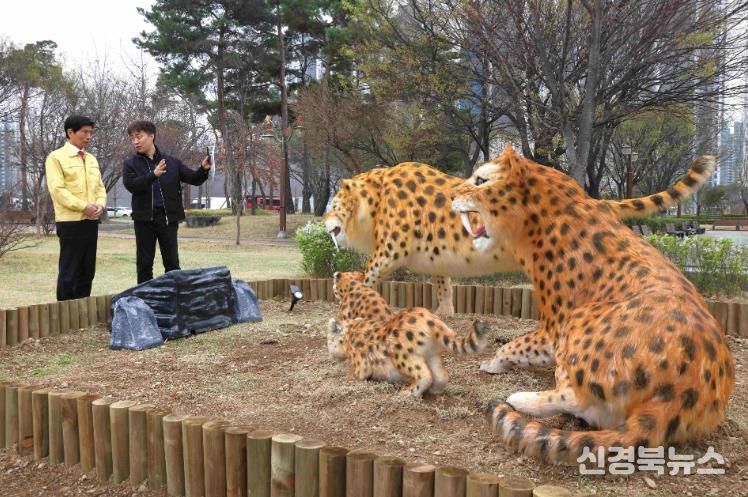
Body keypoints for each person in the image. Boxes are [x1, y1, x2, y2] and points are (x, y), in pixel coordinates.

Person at [123, 120, 212, 284]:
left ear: (151, 136)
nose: (135, 141)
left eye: (139, 136)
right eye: (132, 138)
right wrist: (153, 175)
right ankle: (145, 297)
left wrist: (203, 169)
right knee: (144, 265)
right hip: (144, 220)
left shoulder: (171, 162)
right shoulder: (130, 164)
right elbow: (132, 185)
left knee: (172, 263)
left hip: (167, 218)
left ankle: (175, 296)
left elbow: (193, 178)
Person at [45, 115, 106, 301]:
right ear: (70, 132)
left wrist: (100, 205)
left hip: (91, 221)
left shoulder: (91, 159)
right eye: (84, 132)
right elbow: (58, 190)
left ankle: (82, 309)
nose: (88, 136)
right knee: (69, 271)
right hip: (70, 222)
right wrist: (83, 206)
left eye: (91, 133)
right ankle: (64, 311)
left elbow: (100, 188)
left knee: (87, 270)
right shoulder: (56, 158)